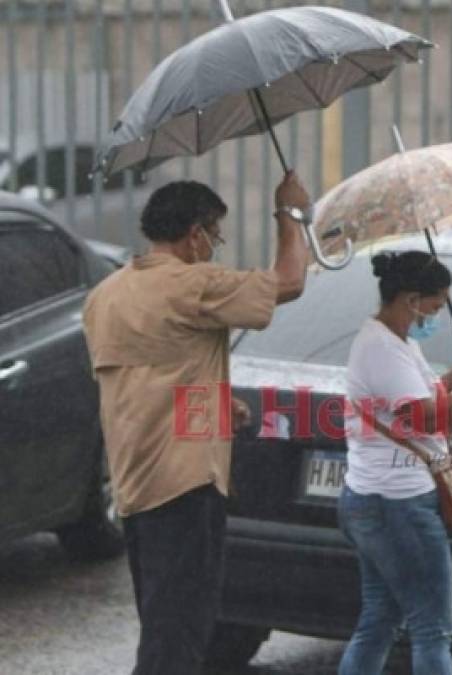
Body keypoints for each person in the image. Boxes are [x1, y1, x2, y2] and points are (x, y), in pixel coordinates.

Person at [82, 172, 312, 675]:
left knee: (164, 622)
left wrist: (216, 408)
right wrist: (289, 214)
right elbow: (290, 281)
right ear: (195, 234)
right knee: (179, 638)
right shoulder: (191, 283)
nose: (214, 248)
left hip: (137, 485)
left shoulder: (106, 295)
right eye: (215, 236)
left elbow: (146, 380)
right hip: (185, 486)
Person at [338, 251, 452, 675]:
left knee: (381, 619)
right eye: (435, 306)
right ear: (412, 299)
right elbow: (424, 417)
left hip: (376, 500)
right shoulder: (381, 347)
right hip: (398, 505)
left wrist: (451, 380)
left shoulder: (395, 341)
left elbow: (410, 400)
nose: (435, 315)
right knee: (432, 630)